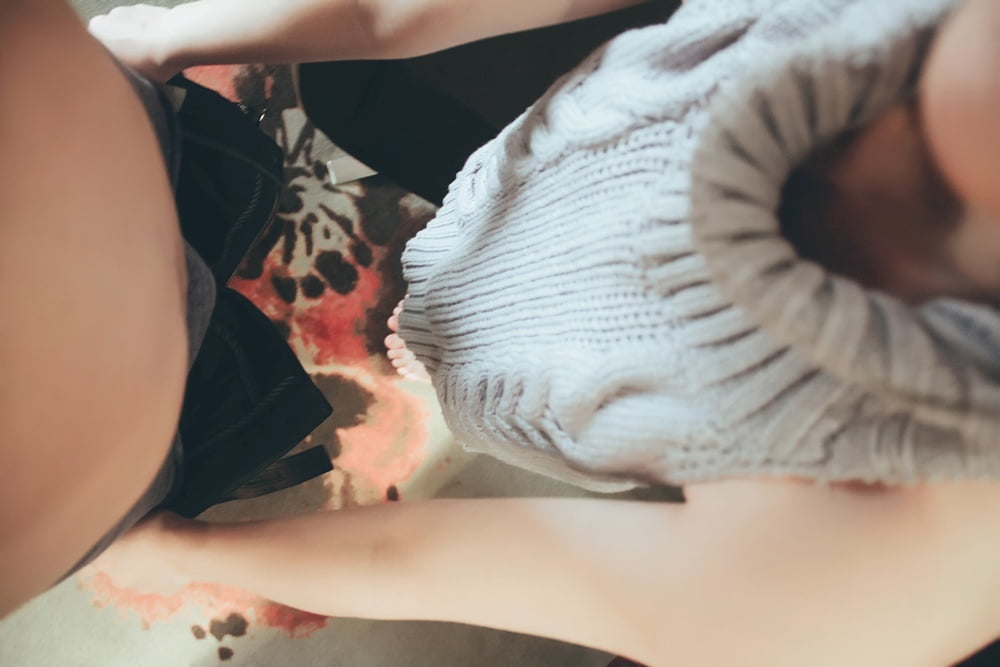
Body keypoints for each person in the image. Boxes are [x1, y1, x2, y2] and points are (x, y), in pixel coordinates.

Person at [85, 0, 1000, 664]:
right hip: (535, 184)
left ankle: (475, 363)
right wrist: (172, 36)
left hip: (589, 390)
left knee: (492, 384)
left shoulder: (896, 535)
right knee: (359, 109)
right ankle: (456, 323)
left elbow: (429, 556)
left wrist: (180, 552)